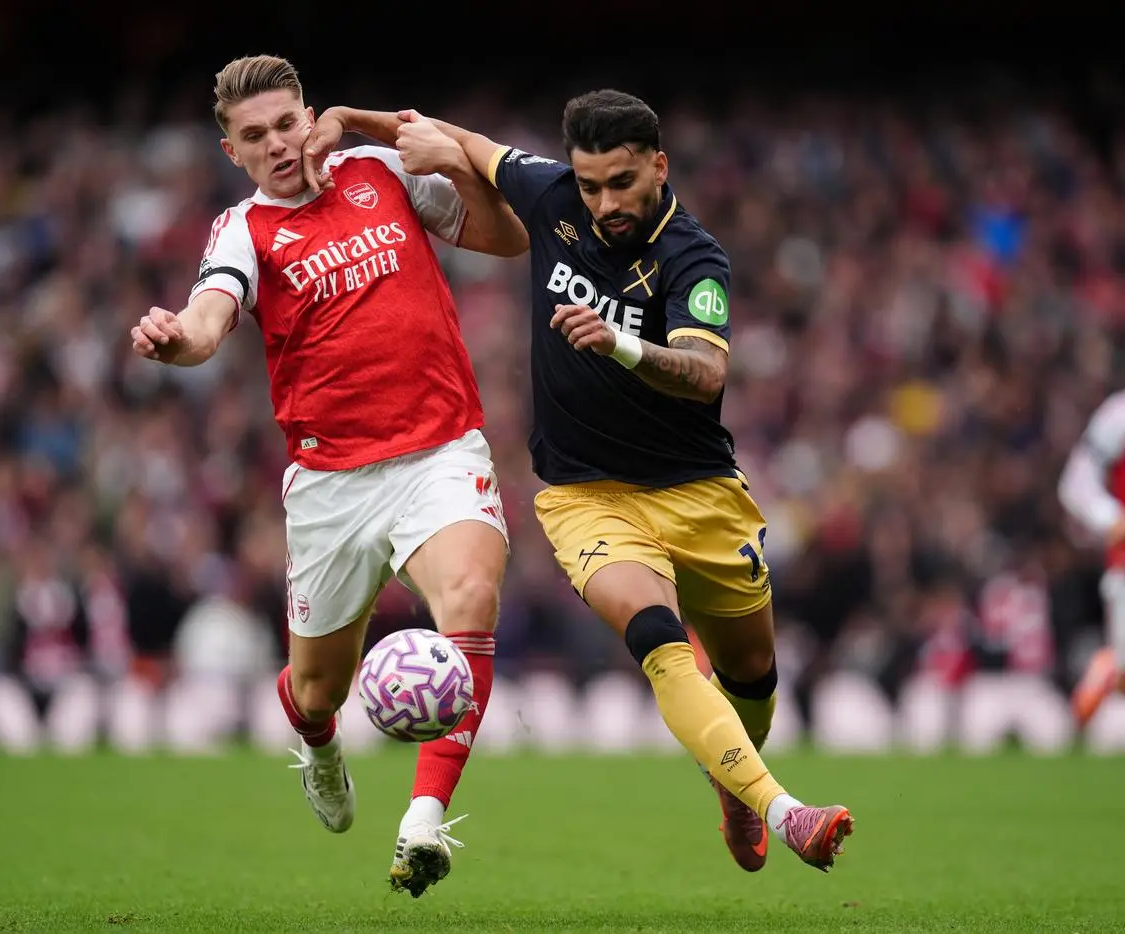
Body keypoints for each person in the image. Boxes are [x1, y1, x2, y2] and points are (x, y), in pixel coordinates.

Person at [303, 91, 853, 872]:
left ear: (659, 168)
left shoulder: (695, 258)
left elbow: (706, 373)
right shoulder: (553, 194)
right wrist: (349, 120)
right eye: (591, 185)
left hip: (700, 493)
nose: (603, 204)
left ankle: (735, 782)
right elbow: (461, 140)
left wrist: (622, 344)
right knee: (660, 639)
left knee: (752, 682)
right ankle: (786, 810)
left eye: (621, 184)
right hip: (587, 497)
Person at [129, 54, 527, 897]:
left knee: (470, 600)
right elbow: (209, 318)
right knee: (317, 688)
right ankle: (317, 745)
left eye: (285, 123)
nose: (277, 145)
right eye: (254, 136)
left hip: (439, 452)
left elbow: (508, 235)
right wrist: (179, 343)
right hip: (331, 484)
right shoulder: (243, 229)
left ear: (310, 115)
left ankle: (423, 822)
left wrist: (414, 137)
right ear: (230, 150)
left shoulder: (378, 168)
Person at [1058, 390, 1125, 726]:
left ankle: (1113, 668)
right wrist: (1111, 518)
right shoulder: (1119, 414)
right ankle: (1115, 668)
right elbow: (1075, 482)